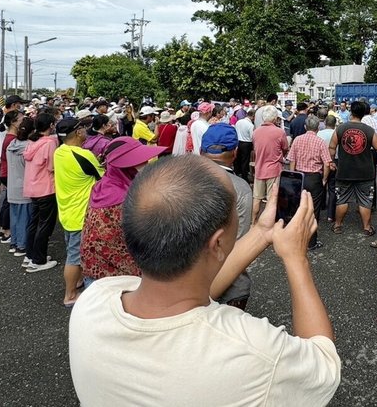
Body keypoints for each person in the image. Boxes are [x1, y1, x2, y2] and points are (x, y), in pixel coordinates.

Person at [68, 155, 341, 406]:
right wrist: (296, 259)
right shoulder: (255, 354)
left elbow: (186, 289)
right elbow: (324, 363)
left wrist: (261, 233)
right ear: (218, 242)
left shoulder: (94, 300)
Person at [81, 137, 167, 284]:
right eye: (139, 161)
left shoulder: (102, 185)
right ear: (125, 166)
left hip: (94, 269)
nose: (146, 164)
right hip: (119, 278)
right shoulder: (127, 198)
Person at [201, 124, 254, 310]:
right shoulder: (240, 188)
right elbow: (239, 242)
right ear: (236, 152)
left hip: (185, 286)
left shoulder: (181, 180)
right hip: (231, 286)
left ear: (201, 150)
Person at [55, 117, 103, 307]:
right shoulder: (83, 155)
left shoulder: (59, 152)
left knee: (72, 251)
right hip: (80, 213)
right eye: (83, 127)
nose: (85, 130)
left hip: (66, 210)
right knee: (74, 257)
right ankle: (70, 295)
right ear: (78, 133)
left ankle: (76, 282)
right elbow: (101, 175)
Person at [329, 101, 377, 236]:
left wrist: (331, 161)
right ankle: (366, 227)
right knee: (365, 200)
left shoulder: (340, 128)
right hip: (365, 172)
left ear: (351, 112)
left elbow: (332, 146)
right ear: (363, 113)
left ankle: (337, 225)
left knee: (342, 199)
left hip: (344, 170)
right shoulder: (368, 130)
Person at [287, 115, 332, 250]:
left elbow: (292, 160)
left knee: (297, 208)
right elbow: (327, 164)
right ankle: (311, 242)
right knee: (314, 210)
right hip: (314, 178)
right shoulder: (320, 142)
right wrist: (324, 179)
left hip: (299, 176)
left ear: (305, 127)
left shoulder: (297, 140)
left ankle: (295, 237)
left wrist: (293, 176)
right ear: (318, 128)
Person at [23, 113, 59, 272]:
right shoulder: (50, 143)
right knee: (45, 225)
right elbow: (52, 167)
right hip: (46, 188)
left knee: (34, 223)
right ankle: (38, 260)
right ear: (51, 125)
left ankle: (30, 255)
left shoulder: (31, 141)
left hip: (31, 187)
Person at [252, 105, 288, 223]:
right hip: (274, 169)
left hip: (259, 169)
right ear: (275, 118)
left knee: (256, 198)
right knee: (271, 199)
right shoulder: (279, 132)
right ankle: (268, 223)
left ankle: (253, 222)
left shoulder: (256, 132)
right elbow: (285, 148)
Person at [6, 117, 34, 257]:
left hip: (12, 187)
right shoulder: (29, 147)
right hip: (24, 187)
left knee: (15, 217)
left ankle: (15, 242)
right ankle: (22, 245)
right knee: (25, 218)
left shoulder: (11, 144)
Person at [0, 110, 23, 247]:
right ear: (13, 122)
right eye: (20, 120)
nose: (23, 122)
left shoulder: (10, 136)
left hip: (6, 172)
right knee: (9, 203)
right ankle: (7, 230)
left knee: (7, 201)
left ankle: (3, 228)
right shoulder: (12, 139)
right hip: (9, 173)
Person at [317, 115, 338, 223]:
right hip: (334, 161)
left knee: (322, 184)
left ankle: (321, 206)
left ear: (325, 123)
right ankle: (331, 215)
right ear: (335, 124)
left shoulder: (319, 133)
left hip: (321, 162)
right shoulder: (337, 133)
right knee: (333, 188)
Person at [234, 108, 254, 182]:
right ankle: (244, 176)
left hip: (238, 141)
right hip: (247, 143)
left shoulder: (239, 122)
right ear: (252, 116)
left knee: (237, 159)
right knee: (245, 161)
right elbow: (252, 137)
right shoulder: (250, 125)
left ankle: (237, 173)